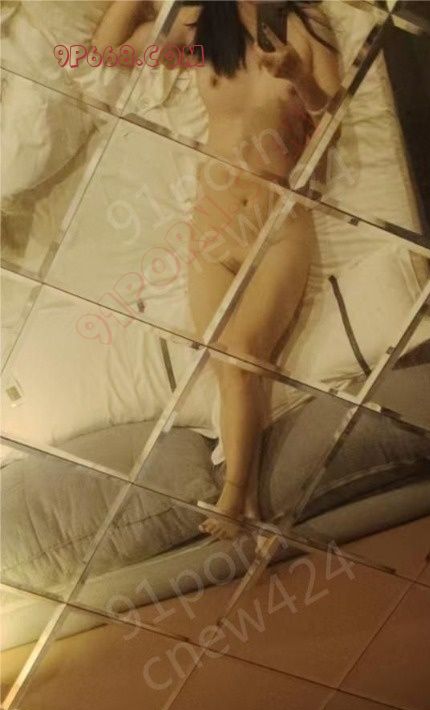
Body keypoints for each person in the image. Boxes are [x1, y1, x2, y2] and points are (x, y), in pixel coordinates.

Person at [93, 1, 341, 538]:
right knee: (229, 363)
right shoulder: (204, 28)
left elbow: (332, 125)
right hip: (212, 225)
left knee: (243, 351)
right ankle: (247, 504)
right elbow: (102, 54)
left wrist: (300, 78)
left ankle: (233, 496)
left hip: (277, 219)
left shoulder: (303, 26)